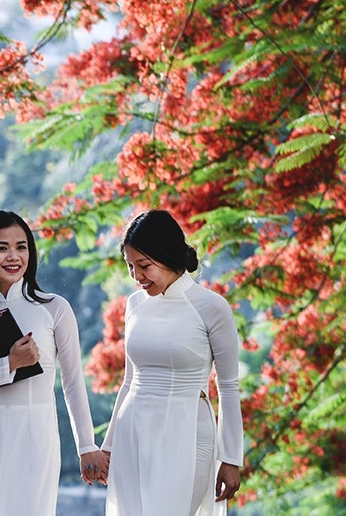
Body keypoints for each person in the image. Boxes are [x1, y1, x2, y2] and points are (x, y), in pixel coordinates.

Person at [0, 210, 109, 516]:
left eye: (21, 247)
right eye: (2, 248)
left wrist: (86, 446)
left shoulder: (53, 308)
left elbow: (73, 382)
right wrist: (9, 363)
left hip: (37, 432)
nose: (14, 256)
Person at [91, 210, 243, 516]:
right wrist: (108, 447)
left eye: (144, 265)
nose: (137, 276)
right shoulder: (134, 304)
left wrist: (231, 458)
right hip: (133, 433)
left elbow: (228, 385)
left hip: (188, 433)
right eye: (130, 266)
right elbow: (129, 380)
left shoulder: (211, 307)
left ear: (168, 255)